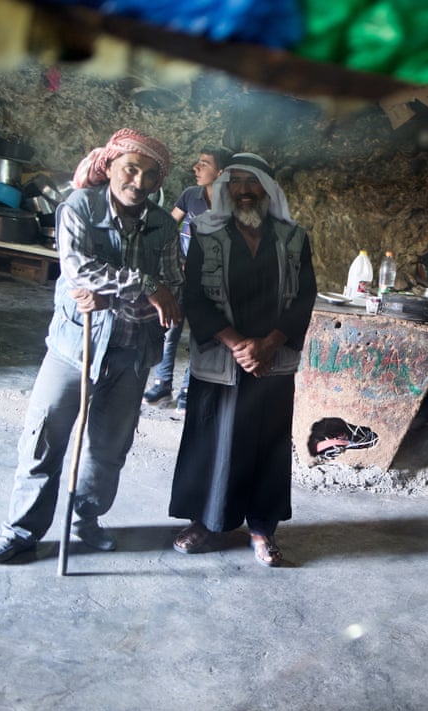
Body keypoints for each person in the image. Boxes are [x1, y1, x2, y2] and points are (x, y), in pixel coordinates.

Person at [0, 129, 183, 563]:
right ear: (110, 165)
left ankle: (84, 521)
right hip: (75, 348)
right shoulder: (78, 207)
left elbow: (174, 295)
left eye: (150, 175)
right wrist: (145, 286)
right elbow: (78, 270)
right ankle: (21, 531)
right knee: (43, 441)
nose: (139, 182)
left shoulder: (164, 226)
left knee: (108, 450)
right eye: (131, 168)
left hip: (131, 355)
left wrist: (116, 296)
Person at [168, 154, 317, 566]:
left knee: (266, 445)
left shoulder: (294, 237)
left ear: (269, 190)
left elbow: (305, 297)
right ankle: (206, 520)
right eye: (237, 183)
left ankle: (261, 529)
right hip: (221, 355)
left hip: (272, 358)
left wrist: (269, 344)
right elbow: (193, 295)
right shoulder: (204, 232)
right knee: (211, 439)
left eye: (254, 183)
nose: (245, 190)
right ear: (225, 188)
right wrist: (238, 344)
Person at [143, 145, 234, 412]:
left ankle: (187, 388)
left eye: (204, 164)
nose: (196, 168)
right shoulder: (190, 195)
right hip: (180, 276)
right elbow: (168, 228)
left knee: (201, 335)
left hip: (210, 282)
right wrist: (171, 260)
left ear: (222, 172)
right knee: (169, 328)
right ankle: (162, 386)